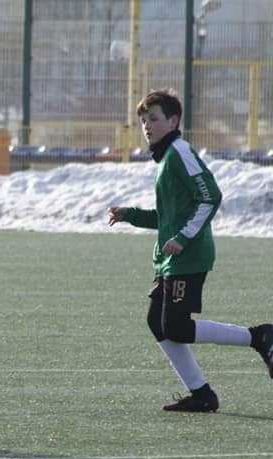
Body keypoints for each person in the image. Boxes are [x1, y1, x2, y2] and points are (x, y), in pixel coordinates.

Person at [108, 88, 273, 412]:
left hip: (189, 255)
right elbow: (167, 218)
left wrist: (183, 238)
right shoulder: (166, 158)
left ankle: (260, 337)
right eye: (144, 120)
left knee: (176, 327)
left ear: (173, 121)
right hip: (171, 258)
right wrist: (131, 215)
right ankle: (201, 394)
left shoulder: (180, 152)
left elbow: (210, 196)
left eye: (154, 118)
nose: (147, 126)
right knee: (158, 322)